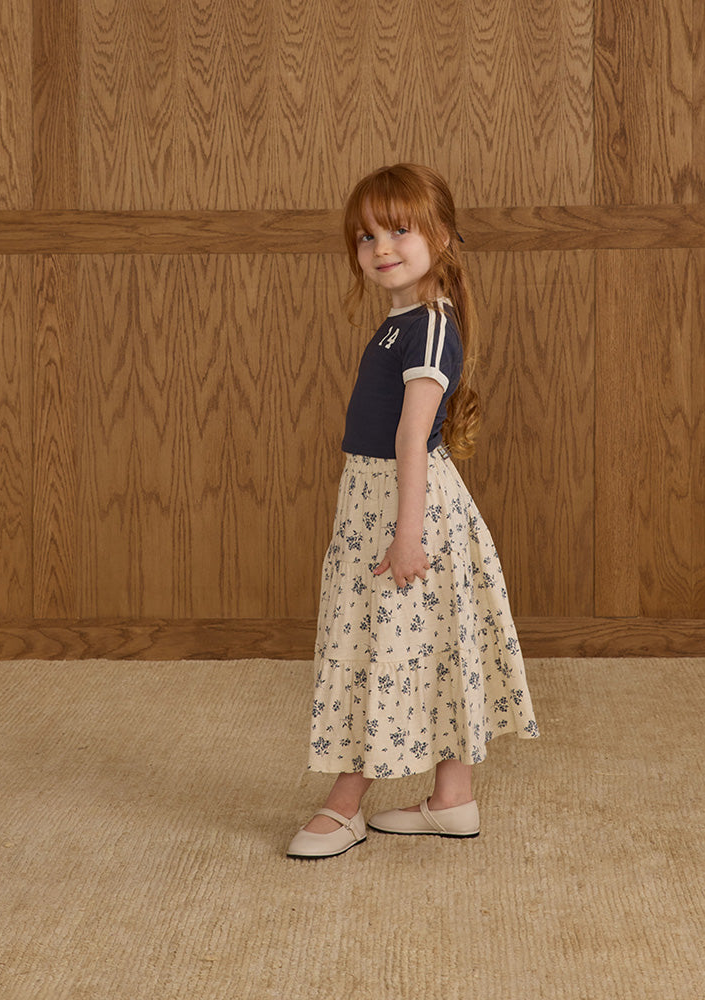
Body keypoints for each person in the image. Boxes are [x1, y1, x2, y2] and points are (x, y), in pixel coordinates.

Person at [287, 163, 538, 859]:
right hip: (383, 502)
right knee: (423, 647)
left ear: (445, 238)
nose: (381, 247)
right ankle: (451, 800)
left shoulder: (428, 327)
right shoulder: (406, 324)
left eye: (400, 229)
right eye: (367, 236)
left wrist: (405, 536)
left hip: (405, 512)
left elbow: (410, 434)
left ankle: (345, 806)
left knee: (381, 650)